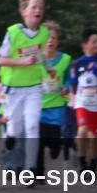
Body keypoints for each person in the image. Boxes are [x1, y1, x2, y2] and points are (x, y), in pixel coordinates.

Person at [0, 0, 51, 176]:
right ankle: (10, 134)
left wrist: (47, 66)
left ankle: (30, 169)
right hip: (14, 88)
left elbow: (41, 55)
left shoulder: (44, 33)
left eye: (41, 8)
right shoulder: (13, 32)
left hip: (34, 87)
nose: (38, 11)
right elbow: (1, 60)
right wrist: (22, 62)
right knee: (16, 127)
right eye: (34, 7)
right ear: (24, 11)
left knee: (32, 126)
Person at [70, 28, 97, 172]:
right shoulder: (79, 63)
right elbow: (74, 82)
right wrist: (72, 96)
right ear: (85, 44)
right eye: (94, 41)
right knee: (82, 131)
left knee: (94, 137)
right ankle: (83, 164)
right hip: (82, 102)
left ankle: (93, 165)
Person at [35, 21, 71, 177]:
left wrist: (67, 87)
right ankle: (39, 173)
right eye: (48, 38)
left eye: (54, 38)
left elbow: (69, 79)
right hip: (39, 105)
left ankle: (58, 147)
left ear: (57, 41)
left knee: (54, 145)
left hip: (57, 106)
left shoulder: (65, 59)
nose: (50, 41)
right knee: (39, 141)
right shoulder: (35, 59)